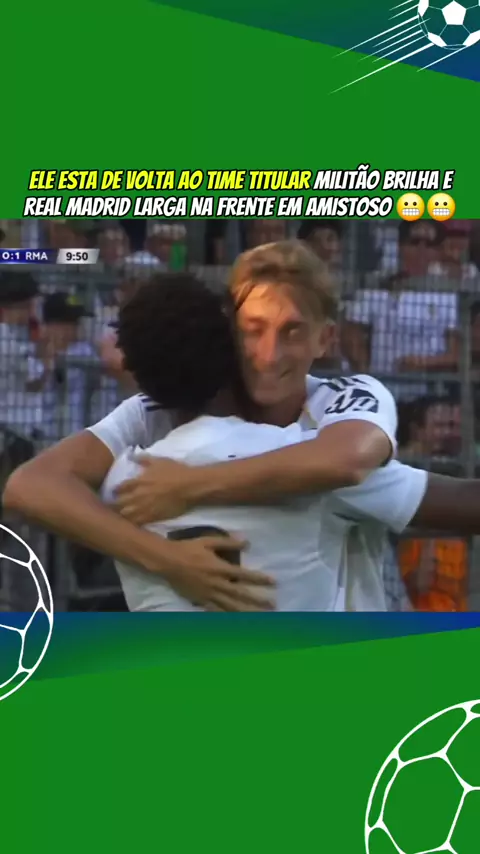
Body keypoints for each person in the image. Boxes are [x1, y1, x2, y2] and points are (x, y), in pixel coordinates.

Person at [3, 240, 480, 611]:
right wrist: (168, 559)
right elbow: (29, 485)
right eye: (254, 329)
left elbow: (347, 458)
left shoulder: (130, 474)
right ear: (227, 330)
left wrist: (190, 487)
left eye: (291, 331)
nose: (269, 355)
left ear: (326, 338)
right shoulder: (157, 418)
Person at [100, 274, 429, 611]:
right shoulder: (307, 464)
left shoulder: (119, 483)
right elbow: (454, 502)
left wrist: (170, 542)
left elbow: (61, 490)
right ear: (232, 347)